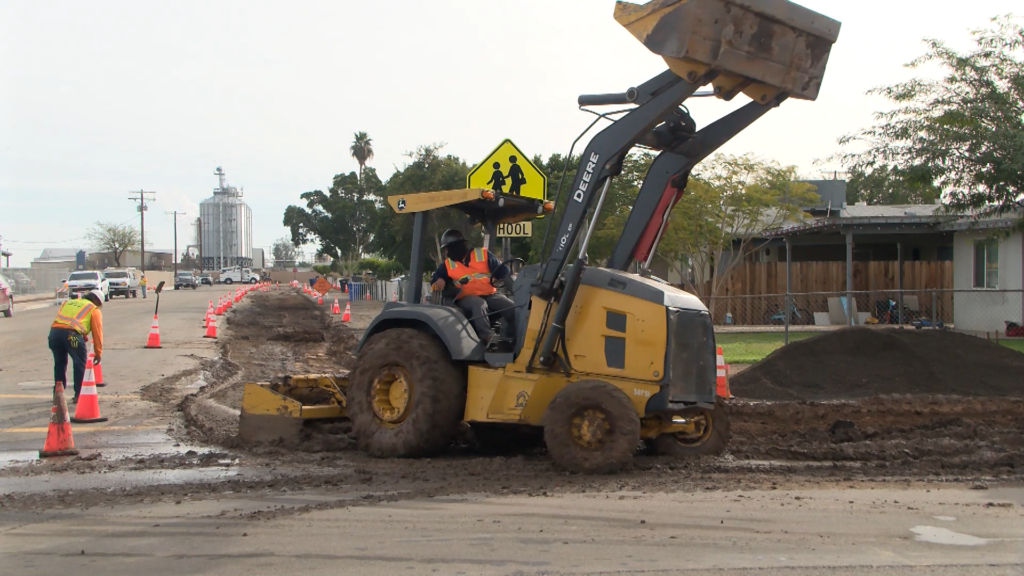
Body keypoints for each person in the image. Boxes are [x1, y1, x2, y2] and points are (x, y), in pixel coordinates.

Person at [430, 229, 516, 347]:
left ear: (458, 246)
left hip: (489, 294)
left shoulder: (483, 254)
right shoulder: (447, 264)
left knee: (512, 307)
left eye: (448, 249)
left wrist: (516, 289)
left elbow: (503, 273)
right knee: (479, 303)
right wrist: (438, 280)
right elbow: (436, 279)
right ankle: (487, 336)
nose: (447, 253)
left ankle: (510, 337)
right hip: (464, 297)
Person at [48, 289, 104, 403]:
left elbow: (66, 322)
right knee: (79, 363)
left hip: (54, 334)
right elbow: (97, 332)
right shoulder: (93, 309)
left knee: (59, 363)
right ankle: (79, 394)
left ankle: (58, 394)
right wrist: (98, 352)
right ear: (96, 300)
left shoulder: (68, 302)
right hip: (71, 337)